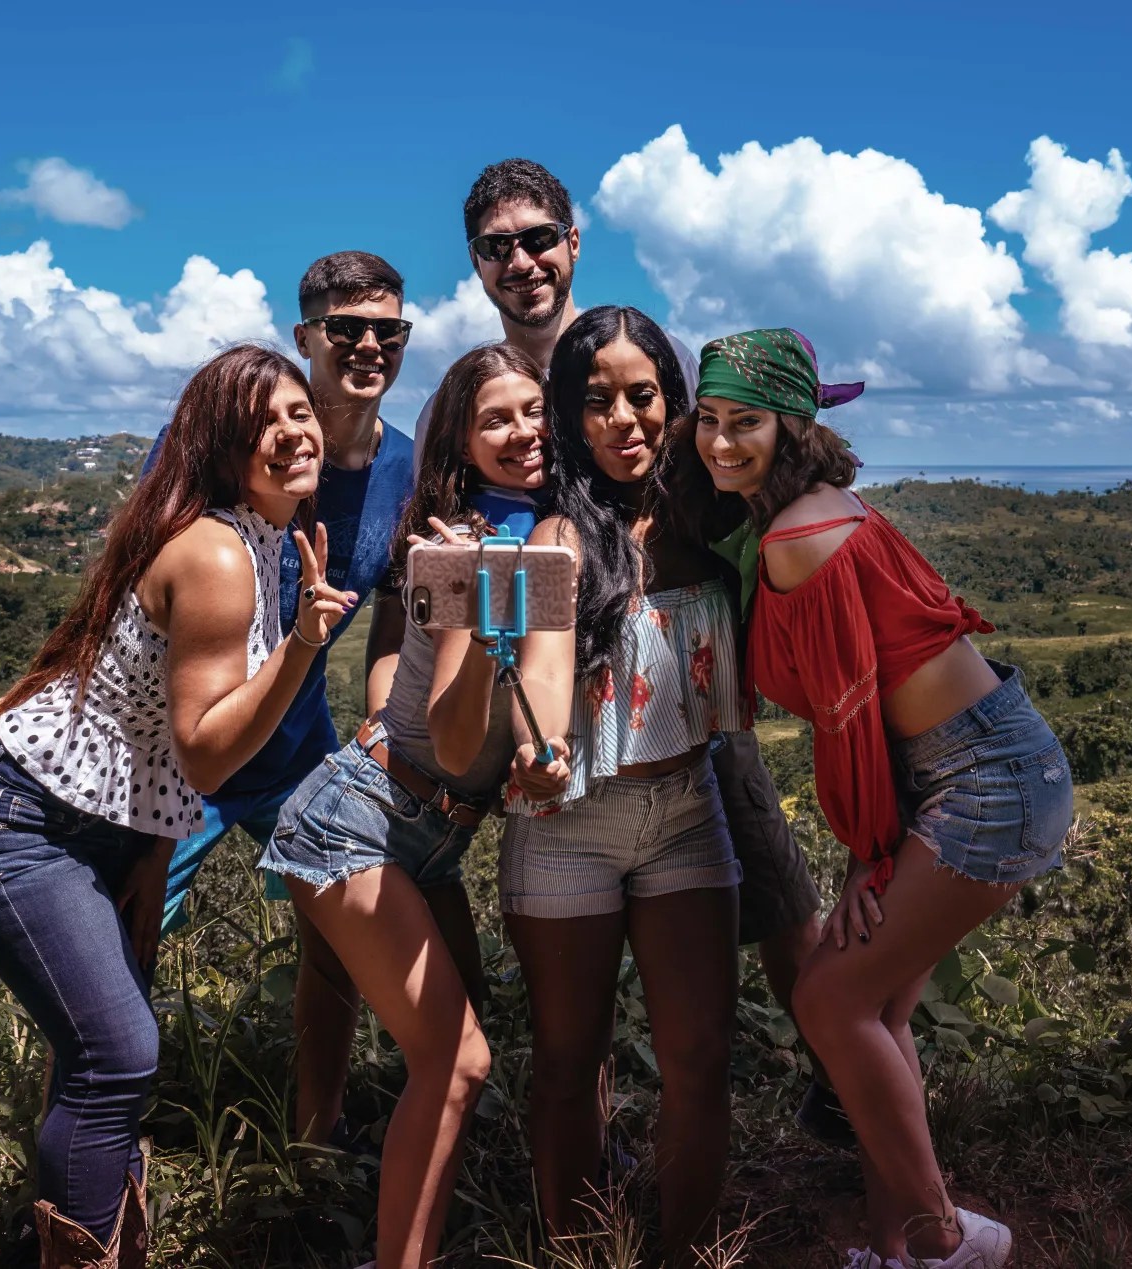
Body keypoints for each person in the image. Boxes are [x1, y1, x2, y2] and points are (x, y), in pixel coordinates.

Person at [417, 159, 842, 1141]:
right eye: (496, 247)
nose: (520, 261)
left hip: (678, 690)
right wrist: (410, 678)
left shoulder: (635, 353)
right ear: (477, 264)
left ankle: (841, 1076)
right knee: (578, 979)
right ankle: (588, 1148)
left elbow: (729, 478)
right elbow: (447, 520)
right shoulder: (496, 382)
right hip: (562, 688)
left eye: (537, 238)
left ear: (573, 241)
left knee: (776, 893)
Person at [0, 345, 355, 1267]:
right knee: (116, 1052)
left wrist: (151, 848)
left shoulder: (259, 536)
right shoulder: (216, 553)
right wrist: (303, 649)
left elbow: (157, 748)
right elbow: (204, 748)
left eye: (297, 412)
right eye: (261, 424)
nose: (290, 432)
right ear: (220, 448)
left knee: (102, 1061)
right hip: (19, 817)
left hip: (99, 825)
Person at [674, 328, 1075, 1269]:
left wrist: (867, 851)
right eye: (709, 420)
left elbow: (849, 717)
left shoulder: (798, 537)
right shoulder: (800, 511)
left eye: (747, 424)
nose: (721, 442)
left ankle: (947, 1237)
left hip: (984, 779)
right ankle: (897, 1251)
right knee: (875, 1010)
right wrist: (873, 852)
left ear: (795, 428)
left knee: (829, 996)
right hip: (962, 765)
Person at [253, 342, 547, 1269]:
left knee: (463, 1041)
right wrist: (475, 622)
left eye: (535, 411)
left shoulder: (542, 527)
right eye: (495, 418)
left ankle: (328, 1175)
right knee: (457, 1062)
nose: (523, 432)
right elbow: (460, 739)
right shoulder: (460, 545)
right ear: (459, 439)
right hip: (361, 819)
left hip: (427, 834)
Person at [152, 252, 417, 1150]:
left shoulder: (404, 468)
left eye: (388, 330)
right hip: (181, 744)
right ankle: (97, 1146)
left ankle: (317, 1129)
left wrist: (381, 718)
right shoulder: (226, 437)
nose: (368, 345)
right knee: (121, 946)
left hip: (298, 741)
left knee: (339, 939)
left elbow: (392, 616)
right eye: (346, 329)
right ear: (306, 337)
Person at [505, 307, 741, 1262]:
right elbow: (545, 664)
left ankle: (687, 1248)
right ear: (569, 418)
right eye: (594, 402)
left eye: (641, 396)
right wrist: (539, 740)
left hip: (688, 812)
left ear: (674, 402)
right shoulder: (561, 535)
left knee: (699, 1062)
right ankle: (576, 1249)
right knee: (568, 1067)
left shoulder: (712, 522)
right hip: (569, 824)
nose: (622, 421)